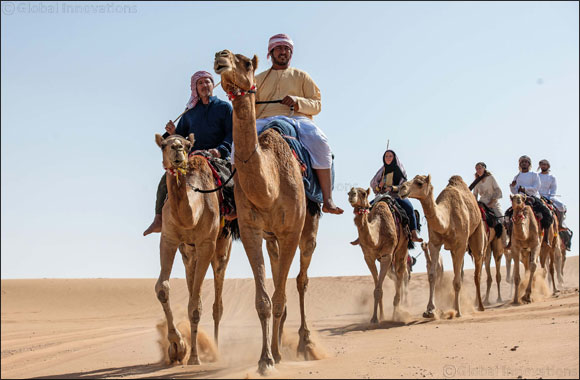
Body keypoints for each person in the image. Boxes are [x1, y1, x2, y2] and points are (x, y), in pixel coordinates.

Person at [253, 33, 343, 215]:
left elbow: (317, 104)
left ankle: (327, 199)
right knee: (236, 147)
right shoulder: (258, 79)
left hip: (297, 119)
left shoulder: (302, 76)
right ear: (271, 52)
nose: (283, 52)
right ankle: (236, 200)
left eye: (286, 49)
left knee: (320, 141)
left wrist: (297, 101)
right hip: (263, 121)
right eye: (278, 48)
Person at [143, 71, 233, 236]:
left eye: (207, 82)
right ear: (195, 88)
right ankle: (158, 219)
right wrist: (173, 132)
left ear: (213, 85)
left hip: (217, 157)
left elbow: (231, 134)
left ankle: (235, 216)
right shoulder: (189, 113)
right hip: (192, 158)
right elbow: (180, 139)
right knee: (167, 179)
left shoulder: (224, 108)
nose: (205, 85)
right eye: (200, 83)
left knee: (232, 181)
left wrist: (219, 151)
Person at [351, 149, 423, 245]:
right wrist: (378, 186)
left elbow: (403, 185)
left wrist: (392, 188)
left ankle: (414, 234)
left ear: (394, 158)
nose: (388, 158)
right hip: (382, 195)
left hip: (397, 196)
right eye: (386, 156)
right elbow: (372, 183)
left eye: (390, 156)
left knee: (409, 208)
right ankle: (361, 235)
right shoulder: (382, 170)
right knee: (365, 210)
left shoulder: (400, 170)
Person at [537, 159, 567, 229]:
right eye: (542, 165)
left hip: (549, 196)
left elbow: (553, 189)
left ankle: (560, 224)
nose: (543, 166)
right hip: (537, 196)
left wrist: (550, 197)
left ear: (548, 166)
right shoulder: (536, 176)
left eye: (545, 165)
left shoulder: (552, 177)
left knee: (561, 206)